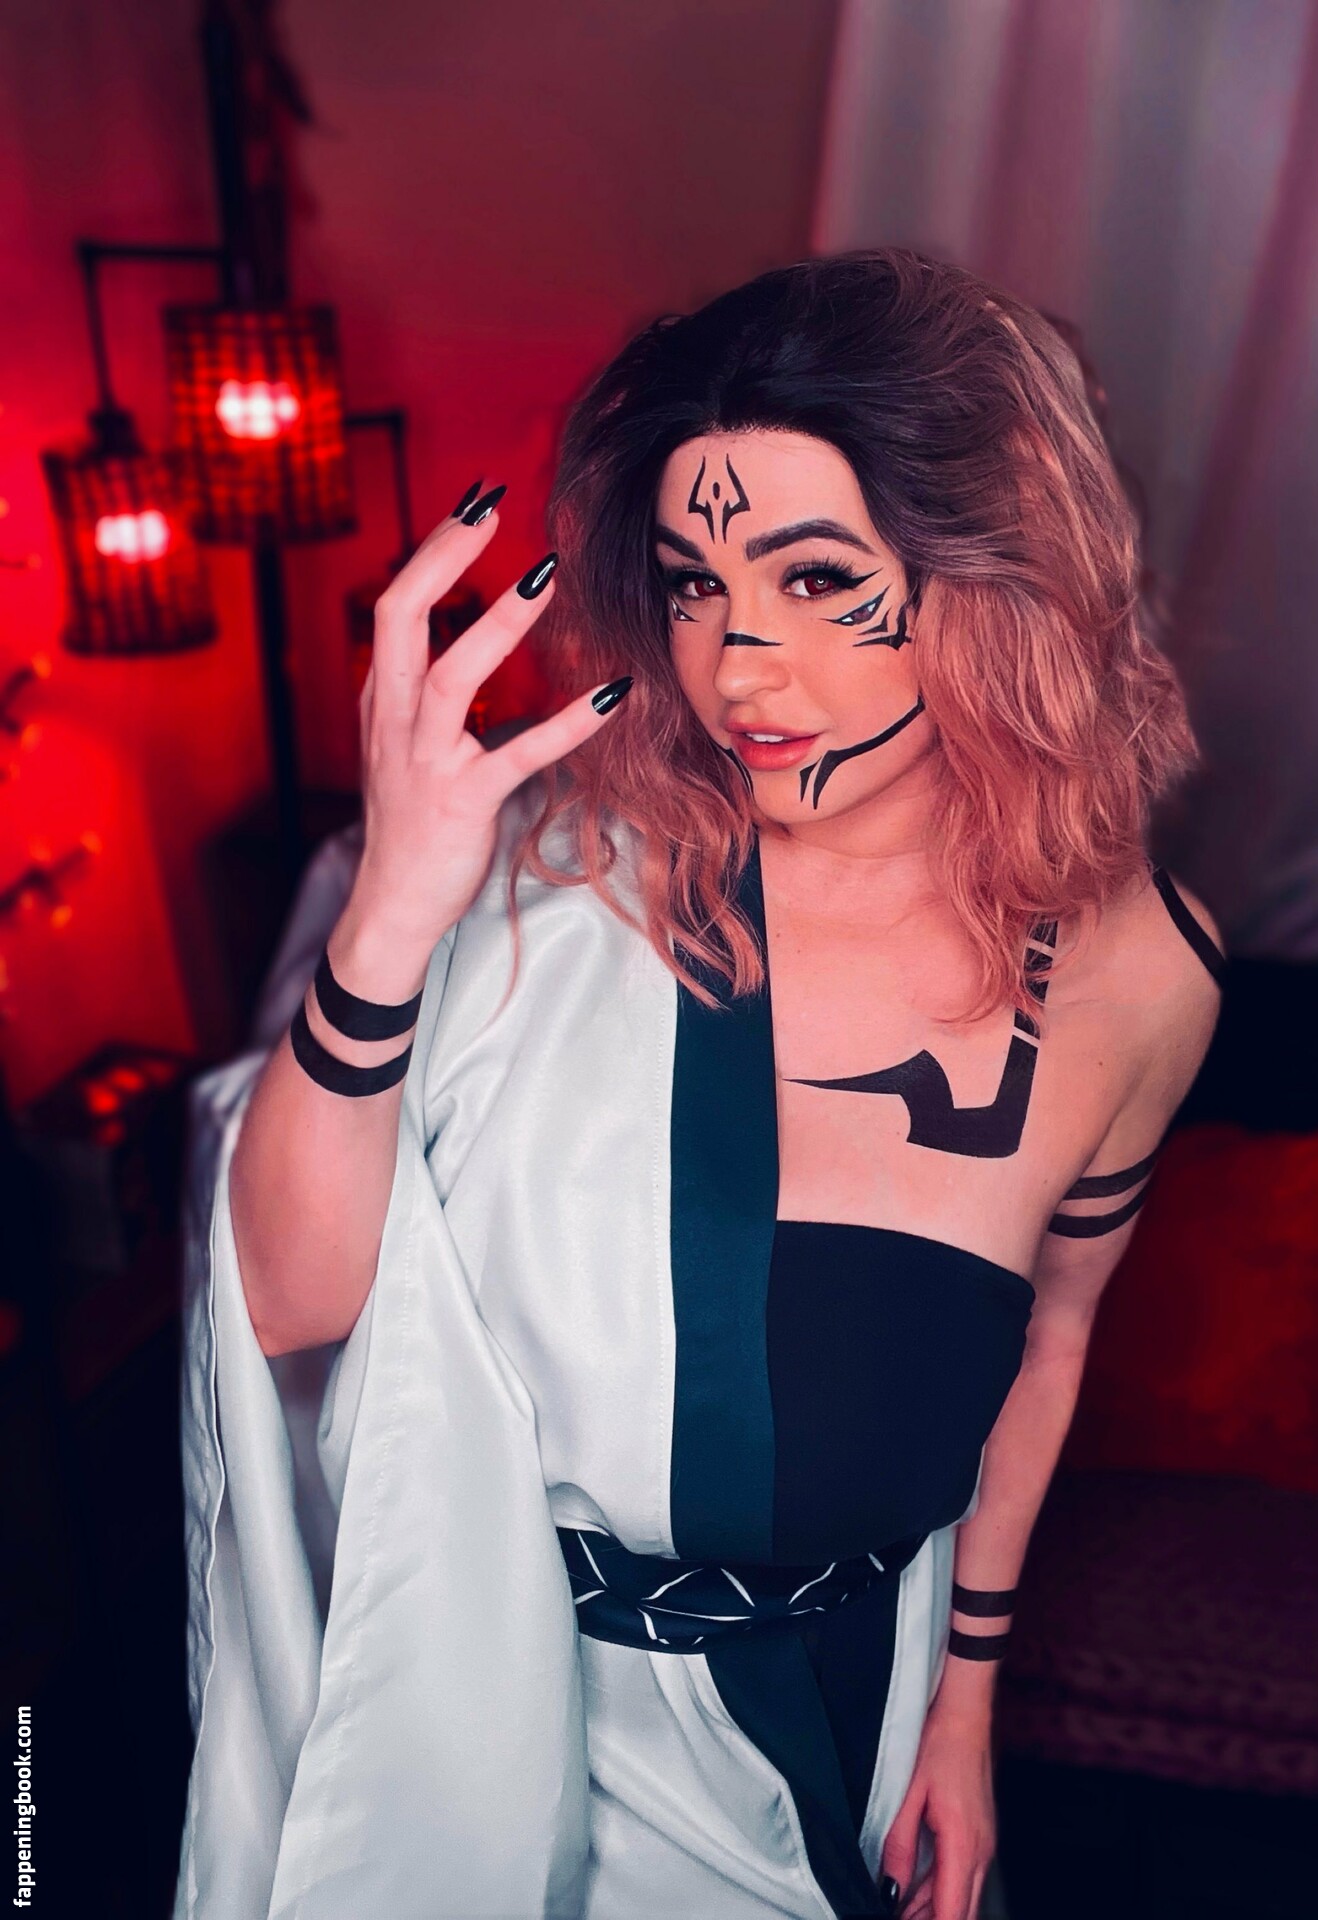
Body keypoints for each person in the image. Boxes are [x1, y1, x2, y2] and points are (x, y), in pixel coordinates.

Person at [172, 249, 1226, 1920]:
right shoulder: (546, 887)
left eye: (814, 579)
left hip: (854, 1728)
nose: (738, 667)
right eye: (692, 584)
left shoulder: (1143, 971)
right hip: (490, 1731)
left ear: (1000, 572)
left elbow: (1052, 1335)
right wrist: (389, 917)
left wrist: (965, 1708)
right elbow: (293, 1318)